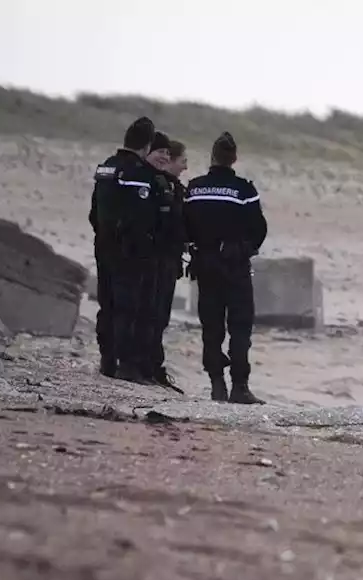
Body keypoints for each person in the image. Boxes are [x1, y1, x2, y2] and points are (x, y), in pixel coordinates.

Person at [183, 131, 268, 404]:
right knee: (240, 327)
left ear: (212, 157)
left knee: (211, 327)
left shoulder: (194, 188)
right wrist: (242, 249)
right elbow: (258, 230)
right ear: (234, 159)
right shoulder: (244, 190)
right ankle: (239, 387)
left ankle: (216, 384)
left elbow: (183, 226)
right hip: (234, 266)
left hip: (204, 265)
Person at [87, 116, 160, 383]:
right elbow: (140, 218)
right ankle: (126, 365)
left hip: (103, 244)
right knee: (127, 307)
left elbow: (94, 212)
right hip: (128, 250)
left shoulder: (106, 167)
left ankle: (107, 360)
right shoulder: (138, 173)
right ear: (147, 145)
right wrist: (144, 247)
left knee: (107, 304)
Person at [144, 132, 188, 393]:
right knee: (152, 314)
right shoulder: (159, 186)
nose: (184, 166)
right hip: (156, 259)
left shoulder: (174, 188)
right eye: (182, 159)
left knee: (159, 316)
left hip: (168, 259)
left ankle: (153, 366)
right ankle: (147, 366)